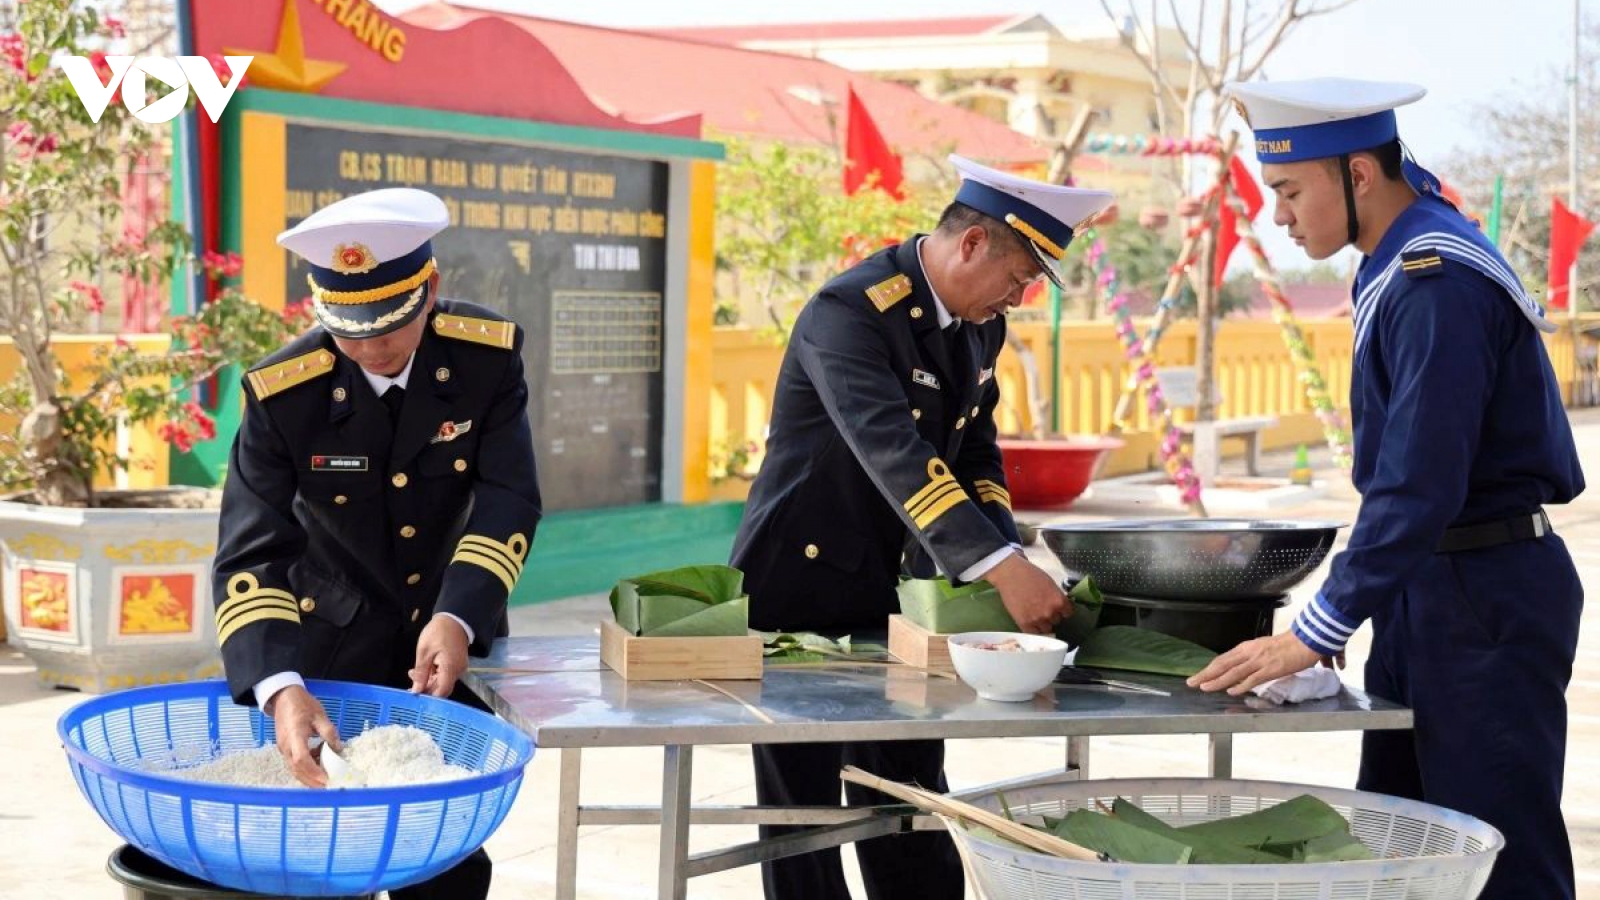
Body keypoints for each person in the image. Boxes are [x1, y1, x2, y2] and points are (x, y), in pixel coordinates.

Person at [1192, 78, 1585, 899]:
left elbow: (1418, 483)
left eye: (1291, 190)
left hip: (1484, 591)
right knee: (1404, 845)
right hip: (1433, 583)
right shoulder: (1402, 249)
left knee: (1495, 853)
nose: (1281, 215)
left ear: (1361, 176)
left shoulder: (1433, 278)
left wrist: (1319, 625)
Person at [729, 155, 1114, 899]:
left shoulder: (978, 330)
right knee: (802, 818)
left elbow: (975, 449)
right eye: (1019, 278)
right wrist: (1001, 567)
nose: (1020, 298)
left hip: (900, 591)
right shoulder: (848, 312)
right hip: (795, 592)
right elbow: (894, 453)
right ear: (972, 245)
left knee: (909, 793)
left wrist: (1002, 543)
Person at [210, 187, 542, 900]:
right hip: (330, 646)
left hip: (453, 640)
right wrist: (279, 688)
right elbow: (251, 551)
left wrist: (459, 615)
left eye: (388, 327)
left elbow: (509, 496)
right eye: (347, 331)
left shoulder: (486, 361)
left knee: (446, 855)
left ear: (430, 291)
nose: (368, 348)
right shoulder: (283, 392)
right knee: (327, 852)